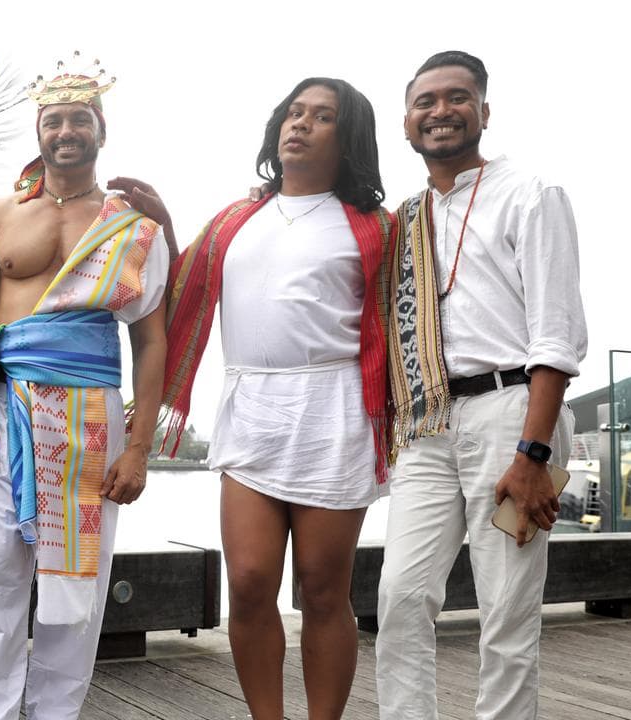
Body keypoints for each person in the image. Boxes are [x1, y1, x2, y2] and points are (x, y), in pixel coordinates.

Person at [160, 78, 393, 720]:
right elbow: (183, 284)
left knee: (322, 591)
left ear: (347, 140)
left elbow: (406, 320)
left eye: (322, 117)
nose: (301, 125)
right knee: (252, 582)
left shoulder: (373, 226)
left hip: (334, 407)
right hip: (252, 406)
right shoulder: (237, 217)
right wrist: (164, 225)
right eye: (295, 113)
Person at [0, 62, 170, 719]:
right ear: (38, 131)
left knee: (78, 589)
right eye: (54, 120)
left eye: (79, 119)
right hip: (6, 411)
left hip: (92, 417)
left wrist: (139, 449)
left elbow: (150, 340)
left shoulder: (130, 223)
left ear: (102, 128)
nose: (66, 130)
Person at [375, 51, 587, 720]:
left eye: (457, 97)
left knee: (506, 607)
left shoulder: (532, 192)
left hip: (513, 415)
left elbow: (557, 335)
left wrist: (534, 455)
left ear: (484, 112)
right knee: (401, 596)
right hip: (428, 424)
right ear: (407, 121)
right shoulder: (403, 218)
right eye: (425, 101)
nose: (440, 110)